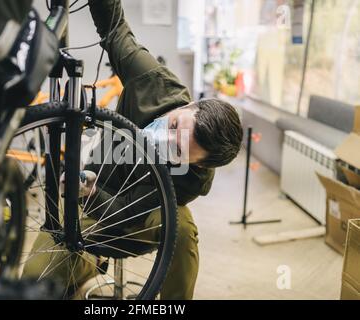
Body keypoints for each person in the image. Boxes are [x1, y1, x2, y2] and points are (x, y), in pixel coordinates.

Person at [22, 0, 243, 300]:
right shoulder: (154, 82)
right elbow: (114, 28)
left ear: (199, 165)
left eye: (178, 151)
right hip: (83, 200)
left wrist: (94, 193)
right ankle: (90, 261)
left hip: (131, 220)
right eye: (175, 125)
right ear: (189, 104)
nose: (166, 139)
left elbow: (125, 214)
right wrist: (83, 191)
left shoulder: (194, 180)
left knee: (182, 228)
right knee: (32, 286)